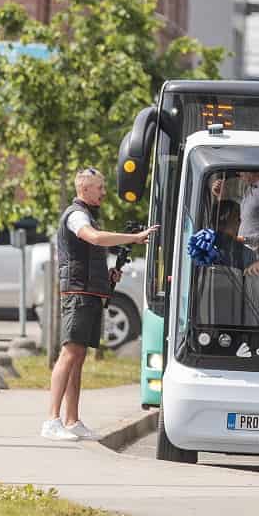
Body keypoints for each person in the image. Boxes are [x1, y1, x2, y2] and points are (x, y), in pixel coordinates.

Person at [44, 168, 157, 442]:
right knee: (69, 353)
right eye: (99, 188)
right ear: (84, 189)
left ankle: (72, 421)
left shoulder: (90, 215)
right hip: (78, 292)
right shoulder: (76, 215)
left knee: (78, 357)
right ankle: (51, 420)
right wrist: (133, 237)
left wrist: (106, 277)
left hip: (90, 291)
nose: (104, 192)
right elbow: (93, 238)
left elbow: (91, 250)